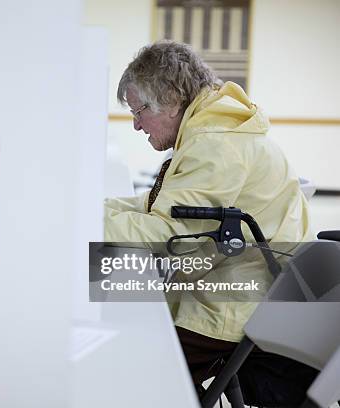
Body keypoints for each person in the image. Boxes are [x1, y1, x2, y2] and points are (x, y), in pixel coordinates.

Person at [104, 40, 315, 400]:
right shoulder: (216, 128)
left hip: (233, 300)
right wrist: (101, 209)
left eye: (139, 111)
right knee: (113, 296)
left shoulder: (215, 144)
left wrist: (81, 226)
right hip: (247, 285)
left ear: (170, 98)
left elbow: (171, 239)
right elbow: (171, 208)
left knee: (122, 348)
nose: (137, 125)